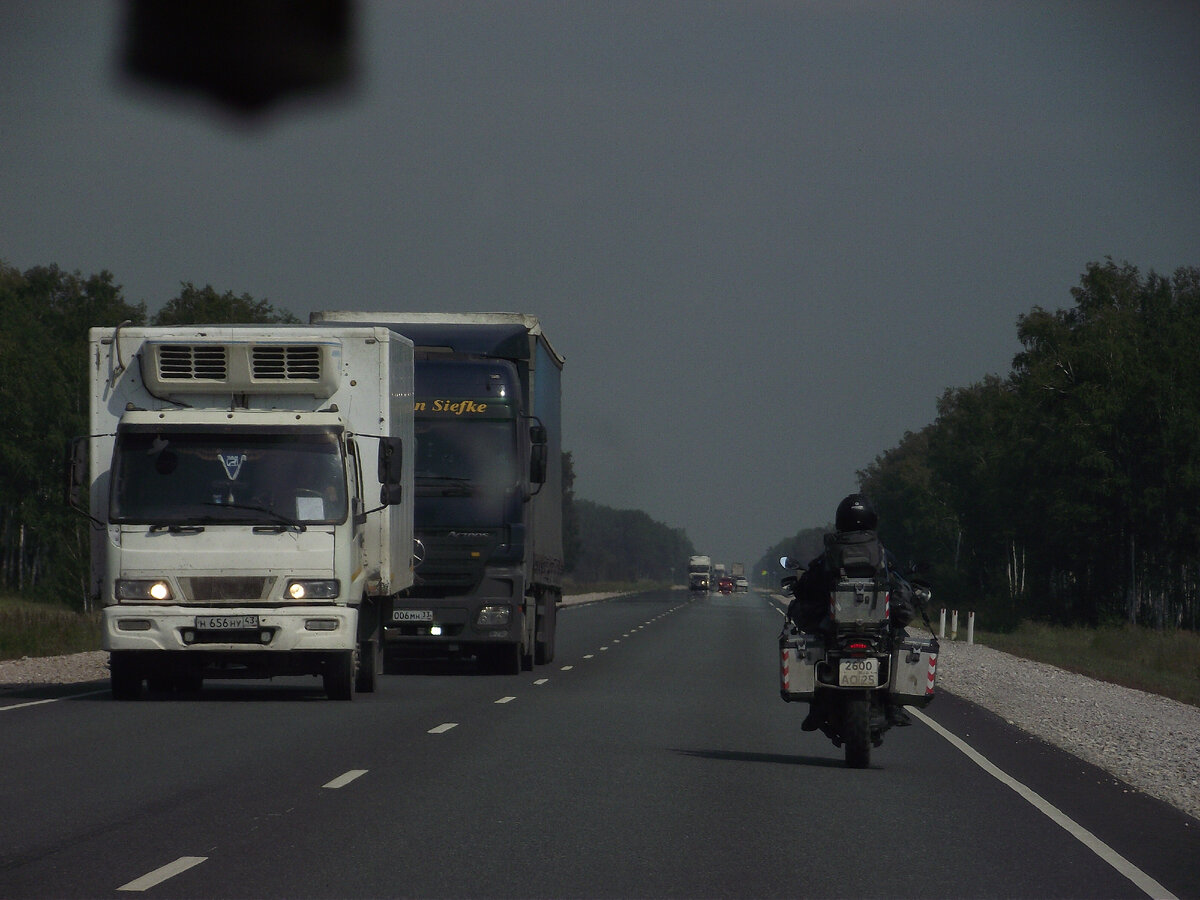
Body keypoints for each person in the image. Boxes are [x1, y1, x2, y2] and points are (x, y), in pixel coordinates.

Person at [785, 493, 915, 730]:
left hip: (836, 626)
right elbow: (899, 581)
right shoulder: (882, 553)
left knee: (815, 645)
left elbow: (811, 582)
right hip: (877, 626)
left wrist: (800, 588)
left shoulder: (831, 551)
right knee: (899, 640)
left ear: (841, 519)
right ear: (871, 519)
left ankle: (816, 706)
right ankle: (895, 706)